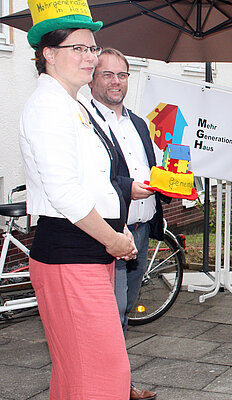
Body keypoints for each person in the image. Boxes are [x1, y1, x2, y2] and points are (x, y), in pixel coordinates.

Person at [19, 0, 137, 398]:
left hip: (86, 249)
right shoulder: (49, 106)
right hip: (72, 250)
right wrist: (113, 238)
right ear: (48, 54)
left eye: (92, 48)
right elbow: (65, 192)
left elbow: (95, 180)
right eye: (79, 48)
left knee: (78, 374)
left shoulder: (74, 103)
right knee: (104, 376)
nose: (90, 57)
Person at [89, 47, 162, 400]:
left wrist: (173, 182)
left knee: (126, 309)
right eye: (107, 74)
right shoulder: (85, 120)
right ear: (92, 77)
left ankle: (116, 383)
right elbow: (89, 176)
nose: (116, 81)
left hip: (141, 229)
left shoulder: (137, 122)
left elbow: (149, 169)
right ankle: (112, 388)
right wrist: (125, 188)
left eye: (122, 74)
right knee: (111, 313)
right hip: (108, 234)